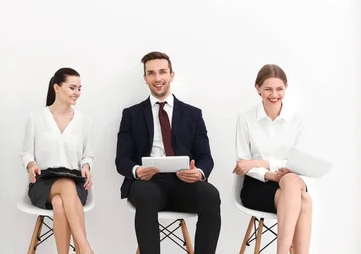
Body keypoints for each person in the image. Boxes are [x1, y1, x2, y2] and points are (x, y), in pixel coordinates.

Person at [115, 51, 221, 254]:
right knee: (146, 195)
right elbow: (122, 159)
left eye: (162, 72)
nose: (157, 78)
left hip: (184, 183)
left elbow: (206, 157)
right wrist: (137, 171)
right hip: (148, 183)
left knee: (211, 195)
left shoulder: (193, 114)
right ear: (145, 78)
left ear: (172, 75)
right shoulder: (131, 115)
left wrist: (198, 172)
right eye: (151, 73)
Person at [233, 64, 311, 254]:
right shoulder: (245, 118)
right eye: (268, 89)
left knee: (292, 180)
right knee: (305, 201)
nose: (274, 94)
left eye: (279, 89)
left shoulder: (296, 119)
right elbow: (243, 165)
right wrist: (270, 173)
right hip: (256, 185)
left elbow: (297, 162)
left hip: (288, 181)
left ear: (286, 87)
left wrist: (261, 162)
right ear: (257, 88)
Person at [21, 68, 95, 254]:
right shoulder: (36, 118)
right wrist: (31, 165)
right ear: (57, 88)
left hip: (75, 180)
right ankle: (84, 248)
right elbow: (27, 153)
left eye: (79, 88)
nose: (77, 93)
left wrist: (86, 166)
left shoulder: (84, 121)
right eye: (72, 87)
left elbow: (88, 154)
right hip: (44, 182)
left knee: (60, 203)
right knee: (65, 186)